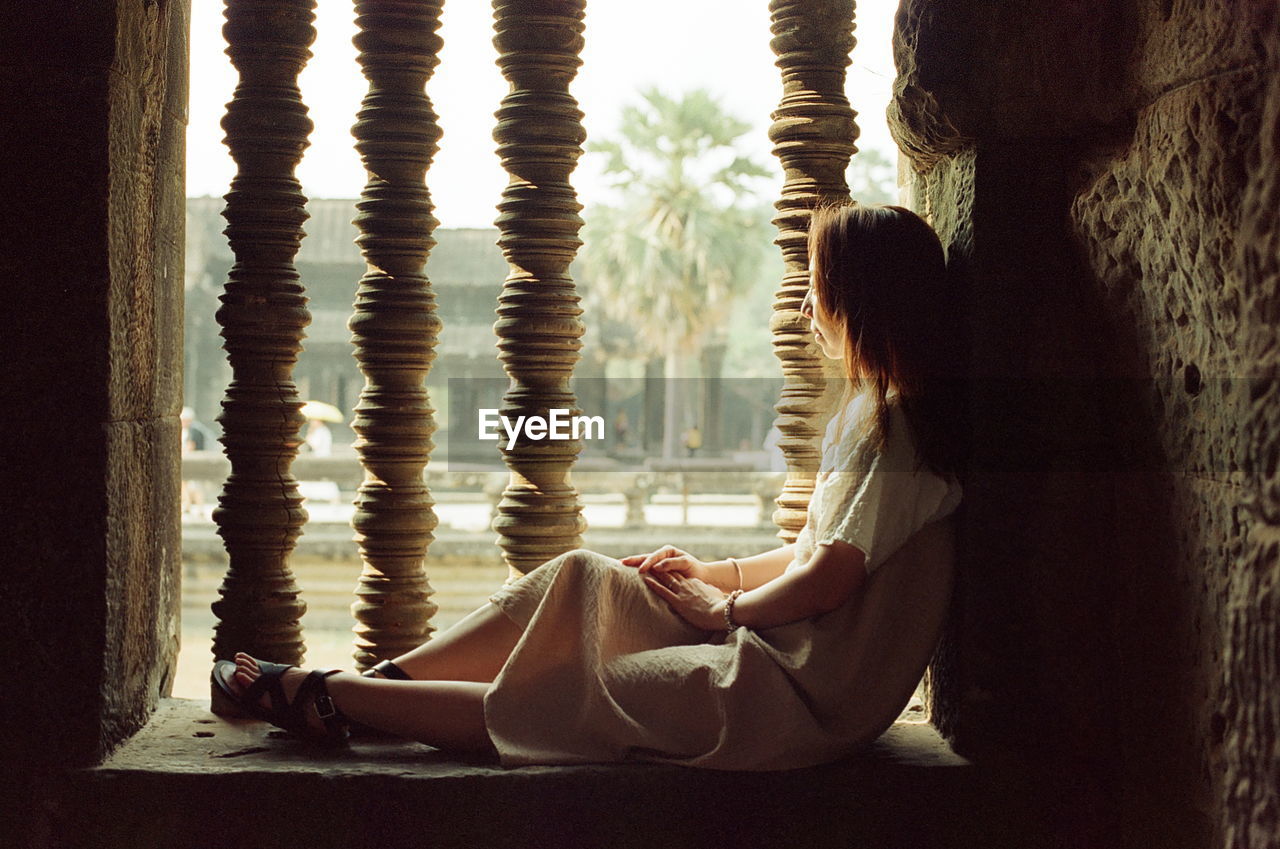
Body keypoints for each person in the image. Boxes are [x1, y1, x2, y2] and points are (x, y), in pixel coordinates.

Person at [213, 203, 966, 771]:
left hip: (798, 693)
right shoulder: (872, 417)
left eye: (819, 289)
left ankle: (331, 695)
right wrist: (712, 575)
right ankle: (372, 690)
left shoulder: (896, 431)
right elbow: (811, 551)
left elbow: (830, 576)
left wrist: (727, 606)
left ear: (865, 303)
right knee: (586, 577)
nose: (805, 308)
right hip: (782, 647)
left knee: (574, 692)